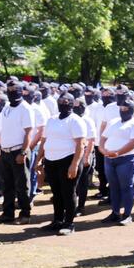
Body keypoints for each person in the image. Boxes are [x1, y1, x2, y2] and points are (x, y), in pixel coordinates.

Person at [35, 93, 86, 235]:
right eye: (61, 101)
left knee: (68, 192)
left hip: (68, 160)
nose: (63, 103)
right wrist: (39, 159)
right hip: (51, 160)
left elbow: (81, 144)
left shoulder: (75, 120)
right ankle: (57, 220)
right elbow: (44, 141)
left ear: (71, 103)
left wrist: (74, 164)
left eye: (66, 101)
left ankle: (69, 223)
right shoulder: (51, 120)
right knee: (56, 193)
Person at [0, 81, 34, 224]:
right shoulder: (7, 107)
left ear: (21, 91)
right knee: (6, 184)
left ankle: (25, 214)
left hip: (18, 151)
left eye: (15, 89)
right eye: (9, 89)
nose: (12, 92)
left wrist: (23, 153)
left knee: (22, 185)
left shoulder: (25, 108)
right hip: (5, 151)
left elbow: (28, 133)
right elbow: (5, 130)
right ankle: (7, 213)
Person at [100, 98, 134, 225]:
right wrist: (102, 149)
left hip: (127, 159)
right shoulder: (114, 121)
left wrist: (118, 152)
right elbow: (103, 136)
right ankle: (115, 213)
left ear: (131, 110)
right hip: (109, 158)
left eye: (126, 109)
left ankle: (127, 214)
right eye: (121, 109)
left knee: (126, 187)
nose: (123, 111)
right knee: (113, 186)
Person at [72, 98, 96, 216]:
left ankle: (81, 207)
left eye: (78, 106)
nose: (76, 108)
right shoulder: (71, 118)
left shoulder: (88, 120)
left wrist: (87, 157)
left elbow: (91, 140)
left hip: (85, 152)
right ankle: (73, 205)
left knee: (82, 182)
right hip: (72, 153)